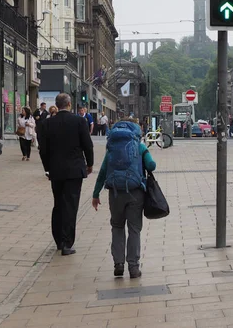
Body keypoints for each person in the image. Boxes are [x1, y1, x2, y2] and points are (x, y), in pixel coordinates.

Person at [92, 118, 156, 278]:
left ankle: (118, 264)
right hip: (135, 193)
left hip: (115, 193)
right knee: (134, 230)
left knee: (117, 227)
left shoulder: (112, 148)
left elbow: (102, 172)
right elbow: (151, 165)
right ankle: (133, 268)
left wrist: (95, 194)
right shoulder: (139, 146)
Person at [40, 93, 93, 256]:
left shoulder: (48, 123)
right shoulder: (79, 121)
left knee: (58, 204)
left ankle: (58, 240)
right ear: (69, 104)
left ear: (57, 105)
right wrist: (89, 164)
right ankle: (67, 243)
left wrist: (47, 168)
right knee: (70, 205)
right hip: (74, 170)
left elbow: (43, 149)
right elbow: (87, 145)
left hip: (56, 170)